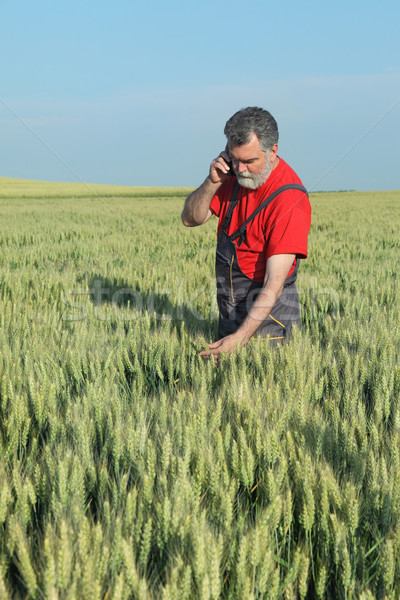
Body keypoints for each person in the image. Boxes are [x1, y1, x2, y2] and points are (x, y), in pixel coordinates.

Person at [181, 107, 311, 362]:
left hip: (270, 326)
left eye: (250, 161)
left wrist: (240, 338)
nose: (240, 169)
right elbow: (190, 219)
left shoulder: (289, 200)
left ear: (273, 151)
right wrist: (213, 181)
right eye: (234, 158)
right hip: (229, 314)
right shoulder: (231, 176)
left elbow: (274, 284)